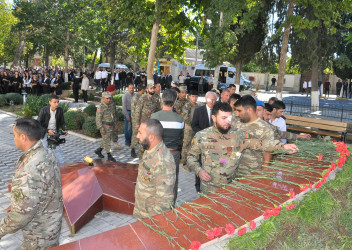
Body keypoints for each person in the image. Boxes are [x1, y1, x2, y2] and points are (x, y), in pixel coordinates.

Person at [187, 102, 298, 194]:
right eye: (223, 118)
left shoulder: (239, 135)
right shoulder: (201, 136)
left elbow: (260, 143)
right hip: (209, 188)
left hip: (232, 187)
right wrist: (199, 170)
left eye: (230, 118)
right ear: (214, 118)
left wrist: (283, 146)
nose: (228, 121)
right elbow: (191, 157)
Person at [0, 118, 63, 249]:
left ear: (23, 137)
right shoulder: (47, 152)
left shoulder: (28, 171)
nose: (14, 139)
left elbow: (20, 215)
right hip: (52, 228)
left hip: (37, 237)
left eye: (14, 135)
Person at [133, 119, 176, 219]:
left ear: (151, 137)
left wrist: (153, 222)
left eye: (140, 133)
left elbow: (164, 200)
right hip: (142, 211)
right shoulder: (150, 149)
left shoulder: (162, 161)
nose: (137, 136)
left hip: (151, 218)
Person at [151, 89, 184, 205]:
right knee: (172, 182)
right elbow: (181, 138)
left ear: (161, 100)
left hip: (157, 153)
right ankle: (170, 206)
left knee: (156, 179)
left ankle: (156, 205)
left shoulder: (154, 117)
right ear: (175, 101)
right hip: (173, 154)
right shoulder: (180, 119)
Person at [233, 96, 277, 174]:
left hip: (251, 173)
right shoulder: (236, 123)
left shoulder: (265, 128)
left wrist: (261, 175)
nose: (236, 114)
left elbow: (267, 154)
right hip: (233, 171)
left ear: (249, 110)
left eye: (239, 111)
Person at [191, 91, 217, 192]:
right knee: (200, 163)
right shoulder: (199, 110)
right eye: (210, 99)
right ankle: (198, 187)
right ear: (206, 99)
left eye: (214, 99)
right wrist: (203, 135)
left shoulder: (217, 111)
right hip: (202, 142)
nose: (212, 101)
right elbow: (194, 124)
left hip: (215, 143)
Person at [37, 95, 68, 164]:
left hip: (54, 132)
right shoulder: (43, 110)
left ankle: (62, 165)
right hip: (44, 132)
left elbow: (62, 122)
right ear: (50, 102)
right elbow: (38, 124)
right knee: (44, 149)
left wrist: (65, 129)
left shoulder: (60, 110)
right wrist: (47, 130)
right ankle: (44, 165)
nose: (57, 104)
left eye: (58, 102)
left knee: (57, 149)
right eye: (54, 102)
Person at [134, 83, 161, 158]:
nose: (152, 90)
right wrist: (137, 123)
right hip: (144, 124)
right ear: (147, 89)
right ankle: (141, 158)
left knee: (151, 140)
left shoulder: (156, 99)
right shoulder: (142, 98)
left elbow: (158, 110)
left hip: (152, 124)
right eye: (151, 88)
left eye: (153, 88)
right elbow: (138, 111)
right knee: (142, 141)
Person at [95, 91, 118, 162]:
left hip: (111, 125)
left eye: (109, 98)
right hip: (104, 126)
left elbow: (114, 115)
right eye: (107, 98)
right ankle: (109, 155)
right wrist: (101, 128)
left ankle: (98, 150)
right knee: (107, 141)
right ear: (103, 98)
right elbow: (98, 119)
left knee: (106, 139)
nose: (109, 100)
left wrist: (115, 124)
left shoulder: (111, 104)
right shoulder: (100, 107)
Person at [180, 90, 199, 170]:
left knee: (194, 146)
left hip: (196, 129)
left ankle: (193, 162)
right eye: (193, 96)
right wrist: (192, 125)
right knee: (186, 145)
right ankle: (184, 163)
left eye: (196, 97)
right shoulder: (187, 105)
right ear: (189, 96)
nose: (194, 98)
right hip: (189, 128)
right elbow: (185, 117)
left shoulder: (198, 106)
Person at [130, 84, 146, 158]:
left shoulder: (140, 97)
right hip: (136, 119)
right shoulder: (136, 98)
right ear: (142, 89)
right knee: (135, 134)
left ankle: (140, 149)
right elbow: (135, 111)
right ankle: (132, 149)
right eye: (144, 89)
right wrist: (136, 121)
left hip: (140, 119)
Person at [107, 84, 123, 150]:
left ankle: (115, 145)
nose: (115, 91)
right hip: (109, 119)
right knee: (109, 133)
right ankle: (104, 148)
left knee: (114, 132)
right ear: (112, 90)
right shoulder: (108, 99)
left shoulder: (111, 97)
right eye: (114, 90)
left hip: (113, 118)